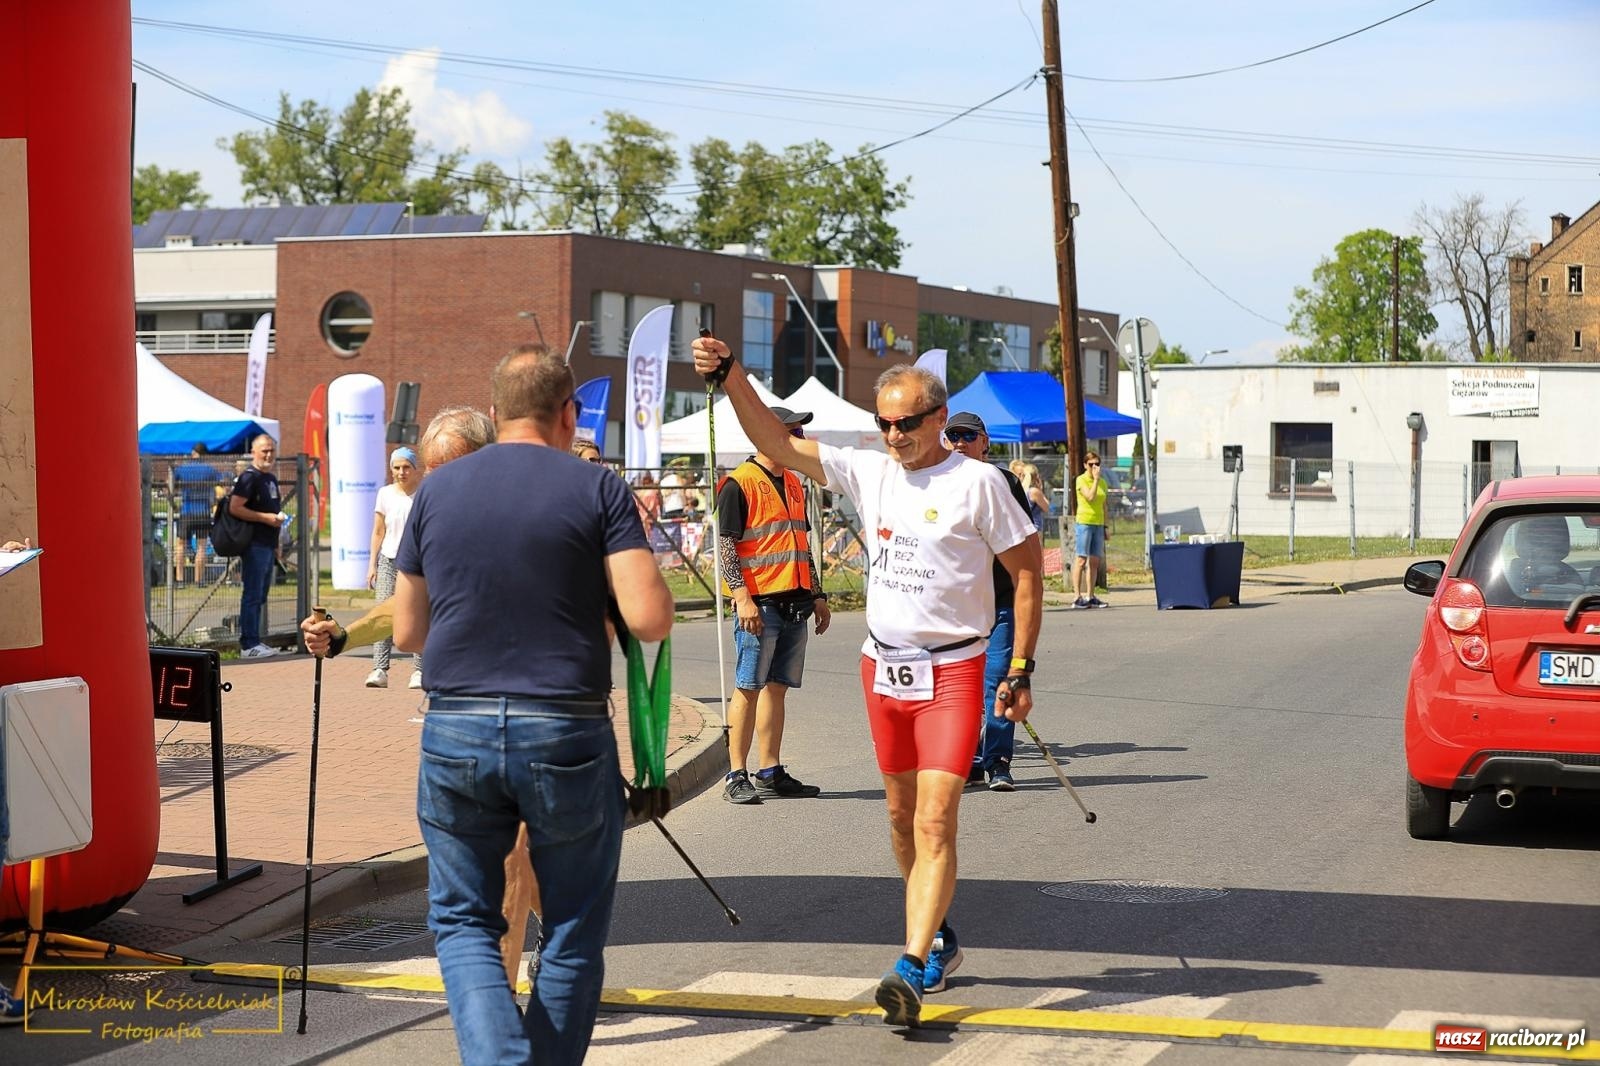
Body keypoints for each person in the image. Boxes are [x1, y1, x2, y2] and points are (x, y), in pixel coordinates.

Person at [692, 336, 1041, 1027]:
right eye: (884, 422)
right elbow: (776, 442)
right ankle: (937, 933)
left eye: (906, 423)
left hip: (953, 669)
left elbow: (1028, 576)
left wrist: (1021, 666)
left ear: (938, 418)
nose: (893, 435)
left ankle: (910, 963)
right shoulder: (870, 472)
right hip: (883, 669)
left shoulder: (979, 484)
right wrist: (732, 377)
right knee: (900, 819)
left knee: (935, 818)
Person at [393, 344, 673, 1065]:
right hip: (564, 727)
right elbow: (649, 619)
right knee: (573, 926)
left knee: (463, 921)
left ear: (495, 413)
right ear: (568, 414)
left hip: (456, 724)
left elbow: (408, 632)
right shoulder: (598, 487)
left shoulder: (435, 493)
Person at [303, 406, 546, 994]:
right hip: (452, 714)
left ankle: (495, 1006)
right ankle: (563, 925)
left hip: (522, 711)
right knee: (488, 857)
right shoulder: (432, 519)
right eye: (430, 469)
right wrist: (342, 636)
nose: (435, 480)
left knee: (506, 856)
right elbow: (404, 610)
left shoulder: (526, 515)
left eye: (447, 467)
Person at [716, 405, 832, 805]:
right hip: (759, 604)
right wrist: (741, 597)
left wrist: (817, 594)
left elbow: (801, 544)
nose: (801, 439)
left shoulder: (795, 483)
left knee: (777, 688)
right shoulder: (739, 483)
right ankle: (736, 774)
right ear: (768, 435)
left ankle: (770, 770)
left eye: (800, 432)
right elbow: (726, 546)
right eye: (794, 432)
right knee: (748, 687)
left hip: (795, 602)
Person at [946, 414, 1039, 793]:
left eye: (968, 436)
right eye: (952, 435)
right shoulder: (938, 484)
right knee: (963, 688)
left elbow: (1026, 541)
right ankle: (969, 759)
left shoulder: (1005, 482)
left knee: (998, 682)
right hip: (957, 607)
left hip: (999, 601)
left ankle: (998, 760)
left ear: (984, 442)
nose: (959, 442)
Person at [365, 446, 423, 690]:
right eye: (397, 468)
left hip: (416, 562)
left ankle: (419, 670)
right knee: (383, 613)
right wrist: (372, 564)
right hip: (389, 560)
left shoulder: (422, 494)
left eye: (406, 467)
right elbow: (378, 531)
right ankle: (380, 669)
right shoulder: (385, 494)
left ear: (415, 469)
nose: (401, 472)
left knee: (417, 612)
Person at [229, 434, 285, 656]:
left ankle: (255, 640)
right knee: (252, 594)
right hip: (254, 543)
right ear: (254, 452)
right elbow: (235, 507)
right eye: (264, 451)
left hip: (268, 543)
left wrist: (277, 542)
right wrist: (264, 518)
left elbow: (274, 510)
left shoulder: (270, 478)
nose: (269, 455)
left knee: (261, 595)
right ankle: (248, 644)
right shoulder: (248, 477)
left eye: (271, 450)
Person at [1072, 450, 1110, 609]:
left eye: (1097, 464)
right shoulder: (1081, 480)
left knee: (1095, 561)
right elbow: (1089, 497)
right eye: (1091, 464)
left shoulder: (1103, 482)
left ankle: (1091, 595)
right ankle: (1077, 596)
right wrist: (1095, 480)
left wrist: (1106, 526)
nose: (1094, 467)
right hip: (1085, 522)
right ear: (1085, 465)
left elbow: (1104, 505)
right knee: (1081, 559)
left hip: (1098, 523)